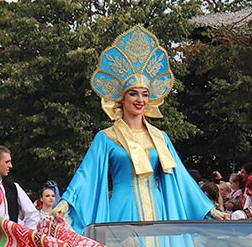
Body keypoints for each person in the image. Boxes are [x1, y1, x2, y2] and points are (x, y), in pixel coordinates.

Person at [55, 25, 223, 231]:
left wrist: (209, 210)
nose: (140, 99)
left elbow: (181, 178)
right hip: (123, 211)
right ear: (122, 98)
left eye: (145, 94)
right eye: (133, 93)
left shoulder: (160, 137)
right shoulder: (107, 137)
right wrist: (66, 202)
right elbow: (86, 174)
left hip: (159, 211)